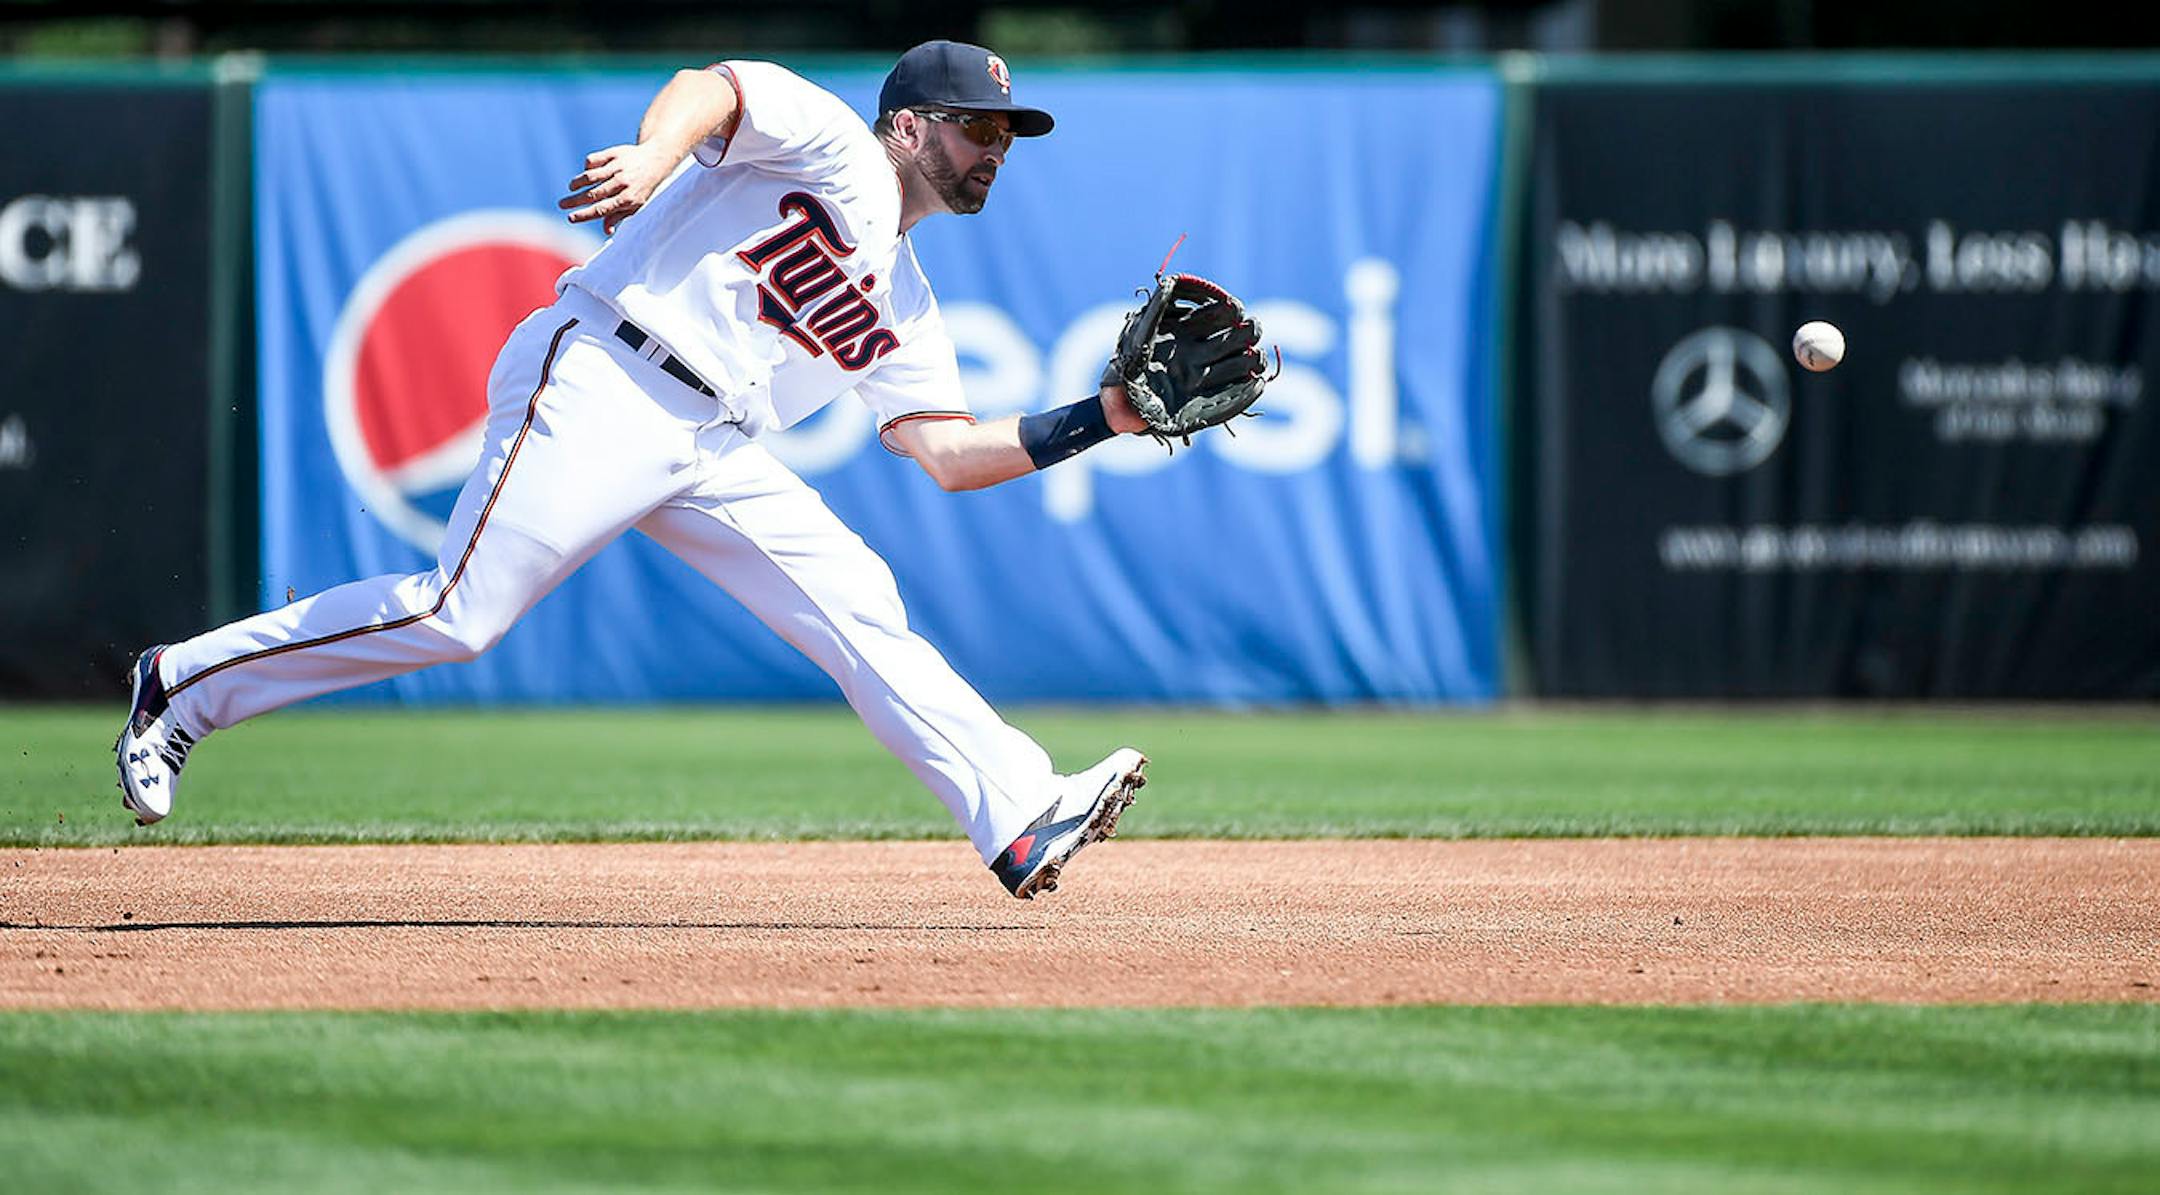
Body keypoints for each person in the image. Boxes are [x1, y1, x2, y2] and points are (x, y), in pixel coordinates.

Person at [115, 40, 1192, 899]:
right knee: (455, 613)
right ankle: (182, 685)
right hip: (607, 370)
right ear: (910, 124)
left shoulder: (906, 302)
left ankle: (1015, 810)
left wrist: (1104, 417)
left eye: (1006, 133)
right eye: (975, 126)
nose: (994, 146)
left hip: (711, 438)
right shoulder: (836, 146)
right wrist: (653, 156)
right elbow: (714, 86)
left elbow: (949, 454)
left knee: (857, 599)